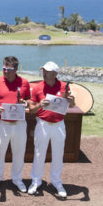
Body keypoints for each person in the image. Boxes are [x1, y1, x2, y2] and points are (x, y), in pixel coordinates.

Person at [27, 61, 75, 197]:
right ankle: (35, 181)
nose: (44, 73)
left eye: (47, 71)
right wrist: (39, 105)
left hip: (59, 124)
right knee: (38, 154)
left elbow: (71, 105)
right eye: (43, 70)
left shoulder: (64, 87)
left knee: (58, 155)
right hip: (42, 124)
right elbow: (31, 110)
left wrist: (71, 101)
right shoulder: (37, 88)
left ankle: (56, 182)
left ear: (55, 74)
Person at [0, 56, 31, 193]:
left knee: (19, 152)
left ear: (16, 69)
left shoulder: (24, 82)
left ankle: (17, 179)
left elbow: (29, 100)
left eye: (9, 69)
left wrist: (26, 103)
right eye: (4, 68)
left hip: (19, 123)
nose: (5, 71)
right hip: (1, 123)